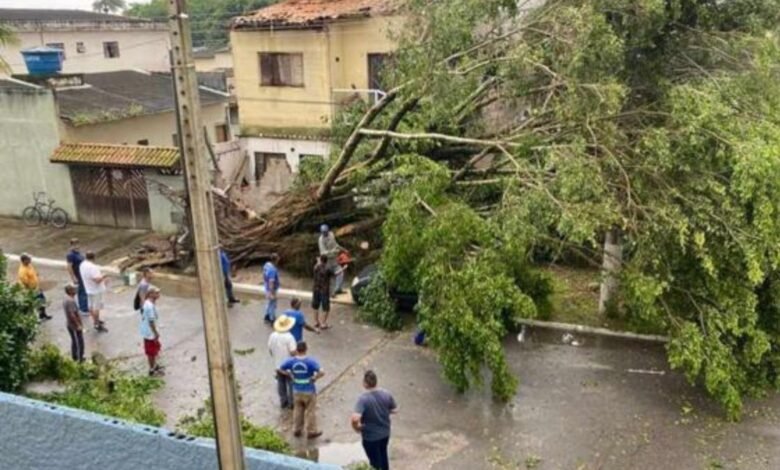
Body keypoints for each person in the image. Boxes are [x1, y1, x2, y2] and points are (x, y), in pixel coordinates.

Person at [351, 370, 398, 470]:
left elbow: (355, 418)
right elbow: (394, 410)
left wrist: (357, 427)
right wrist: (385, 411)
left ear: (365, 383)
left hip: (371, 437)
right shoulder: (386, 394)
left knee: (375, 463)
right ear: (376, 381)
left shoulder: (363, 399)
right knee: (383, 456)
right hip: (385, 433)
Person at [278, 341, 324, 439]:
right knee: (310, 411)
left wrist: (289, 374)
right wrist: (315, 378)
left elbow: (280, 369)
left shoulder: (291, 361)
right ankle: (311, 431)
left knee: (298, 410)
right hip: (309, 390)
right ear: (306, 349)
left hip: (296, 390)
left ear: (297, 350)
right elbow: (322, 372)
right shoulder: (310, 362)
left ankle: (297, 430)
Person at [268, 314, 297, 409]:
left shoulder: (272, 335)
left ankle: (283, 401)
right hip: (289, 365)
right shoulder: (289, 337)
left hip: (278, 364)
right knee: (291, 384)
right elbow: (293, 352)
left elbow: (270, 349)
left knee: (281, 384)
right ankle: (292, 403)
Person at [79, 251, 108, 332]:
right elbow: (97, 280)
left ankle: (95, 321)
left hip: (88, 288)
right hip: (96, 290)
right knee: (96, 308)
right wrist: (104, 276)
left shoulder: (82, 265)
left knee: (91, 306)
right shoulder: (93, 267)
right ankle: (97, 323)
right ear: (94, 257)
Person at [18, 254, 52, 321]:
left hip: (36, 287)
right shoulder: (22, 271)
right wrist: (33, 290)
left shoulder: (29, 265)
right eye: (28, 259)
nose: (30, 260)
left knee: (42, 300)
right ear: (24, 261)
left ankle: (43, 315)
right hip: (30, 290)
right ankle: (38, 317)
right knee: (37, 302)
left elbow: (33, 273)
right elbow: (26, 283)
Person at [140, 285, 164, 377]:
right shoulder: (149, 306)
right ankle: (152, 369)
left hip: (148, 331)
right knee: (151, 352)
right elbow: (151, 322)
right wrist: (156, 333)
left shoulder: (148, 302)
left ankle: (154, 365)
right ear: (151, 294)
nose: (159, 294)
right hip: (150, 333)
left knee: (154, 350)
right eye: (157, 293)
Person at [318, 224, 345, 296]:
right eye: (323, 232)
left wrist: (342, 249)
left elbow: (335, 244)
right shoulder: (321, 240)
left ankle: (338, 289)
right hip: (327, 261)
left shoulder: (331, 234)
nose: (325, 233)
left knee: (340, 273)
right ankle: (330, 293)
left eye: (326, 232)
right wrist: (333, 252)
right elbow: (323, 253)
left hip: (334, 259)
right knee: (328, 277)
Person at [65, 238, 88, 315]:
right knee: (82, 292)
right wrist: (73, 277)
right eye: (74, 245)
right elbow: (69, 267)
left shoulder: (79, 253)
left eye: (77, 244)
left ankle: (85, 306)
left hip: (83, 275)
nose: (76, 246)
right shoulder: (70, 255)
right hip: (78, 276)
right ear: (71, 246)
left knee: (84, 291)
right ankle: (83, 309)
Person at [63, 285, 85, 362]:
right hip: (74, 326)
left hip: (70, 325)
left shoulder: (67, 299)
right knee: (79, 342)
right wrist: (78, 325)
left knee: (75, 341)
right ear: (70, 291)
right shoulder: (70, 301)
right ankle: (79, 358)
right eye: (74, 289)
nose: (76, 290)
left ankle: (75, 356)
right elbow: (72, 314)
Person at [312, 255, 334, 329]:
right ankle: (323, 323)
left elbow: (317, 265)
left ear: (320, 260)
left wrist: (318, 262)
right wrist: (342, 269)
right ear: (326, 261)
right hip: (324, 290)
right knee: (326, 307)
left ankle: (316, 322)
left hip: (316, 289)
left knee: (315, 306)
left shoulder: (315, 267)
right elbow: (335, 274)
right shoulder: (328, 269)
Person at [263, 253, 280, 324]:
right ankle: (272, 319)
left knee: (269, 302)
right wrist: (272, 293)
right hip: (271, 289)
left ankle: (267, 315)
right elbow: (271, 282)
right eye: (278, 258)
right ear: (275, 260)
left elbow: (264, 275)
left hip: (266, 287)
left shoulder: (267, 265)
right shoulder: (273, 270)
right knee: (272, 303)